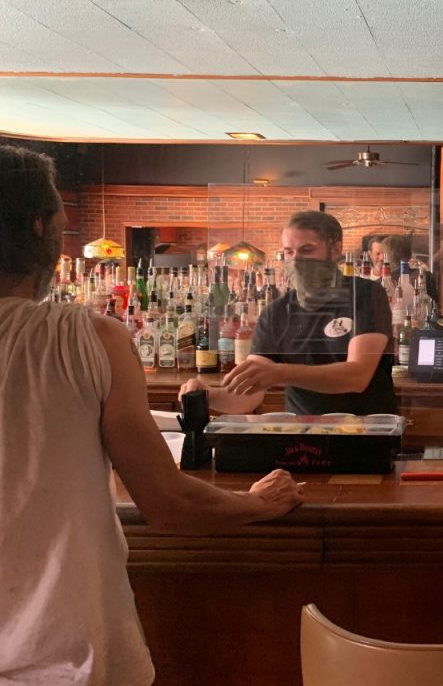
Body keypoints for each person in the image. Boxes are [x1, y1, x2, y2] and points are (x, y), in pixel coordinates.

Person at [0, 145, 304, 685]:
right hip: (62, 658)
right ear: (39, 226)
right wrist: (255, 504)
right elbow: (167, 503)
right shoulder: (84, 336)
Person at [182, 211, 397, 416]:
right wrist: (206, 395)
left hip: (366, 434)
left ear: (335, 250)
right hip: (303, 439)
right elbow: (248, 396)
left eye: (307, 250)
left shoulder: (367, 294)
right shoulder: (276, 312)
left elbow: (357, 377)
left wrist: (280, 373)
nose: (296, 260)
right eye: (288, 252)